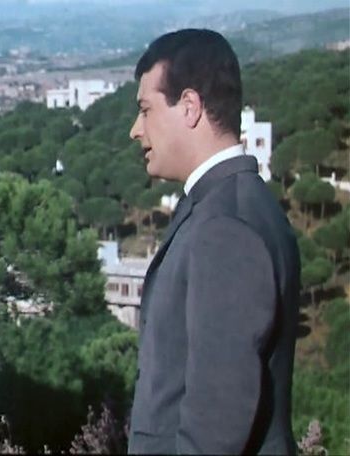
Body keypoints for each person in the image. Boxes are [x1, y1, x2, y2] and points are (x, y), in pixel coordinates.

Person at [127, 29, 301, 454]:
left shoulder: (226, 227)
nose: (136, 130)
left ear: (190, 106)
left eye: (146, 111)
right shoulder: (226, 205)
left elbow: (217, 422)